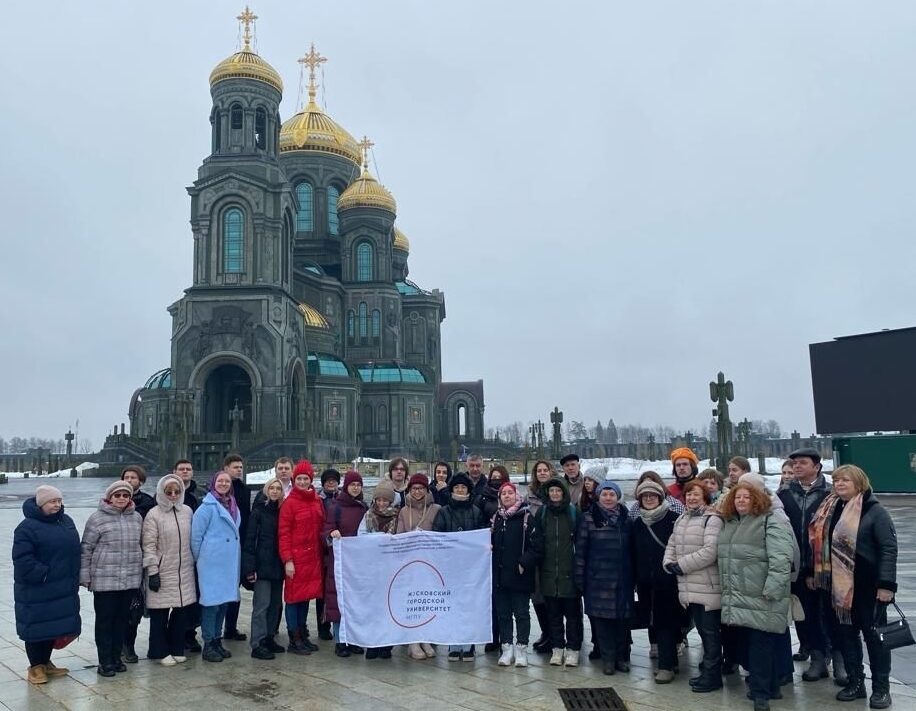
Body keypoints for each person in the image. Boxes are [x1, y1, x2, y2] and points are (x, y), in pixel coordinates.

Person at [807, 465, 897, 709]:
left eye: (845, 480)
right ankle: (856, 682)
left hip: (868, 587)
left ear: (859, 483)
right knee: (845, 637)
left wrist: (886, 585)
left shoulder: (874, 511)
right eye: (836, 480)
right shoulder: (830, 508)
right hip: (837, 588)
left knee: (875, 639)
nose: (839, 484)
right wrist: (812, 572)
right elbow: (818, 544)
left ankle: (881, 689)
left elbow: (888, 548)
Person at [718, 482, 794, 711]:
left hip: (762, 594)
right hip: (739, 595)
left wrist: (772, 588)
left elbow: (781, 558)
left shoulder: (770, 520)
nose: (741, 501)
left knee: (761, 645)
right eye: (737, 497)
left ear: (757, 500)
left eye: (746, 497)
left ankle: (761, 695)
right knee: (749, 643)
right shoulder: (731, 523)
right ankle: (771, 687)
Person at [13, 485, 81, 685]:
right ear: (41, 504)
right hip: (38, 587)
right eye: (52, 501)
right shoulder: (27, 527)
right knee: (36, 627)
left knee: (53, 626)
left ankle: (45, 662)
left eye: (59, 501)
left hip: (62, 585)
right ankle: (35, 667)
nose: (57, 505)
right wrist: (43, 575)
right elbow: (22, 558)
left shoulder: (66, 522)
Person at [777, 447, 835, 683]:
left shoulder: (829, 494)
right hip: (795, 567)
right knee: (805, 615)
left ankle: (835, 656)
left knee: (827, 614)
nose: (797, 467)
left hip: (824, 566)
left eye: (802, 463)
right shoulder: (783, 494)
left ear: (816, 467)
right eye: (794, 463)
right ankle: (817, 657)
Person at [663, 479, 724, 692]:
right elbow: (672, 544)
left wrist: (681, 565)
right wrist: (668, 563)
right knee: (702, 631)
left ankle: (713, 675)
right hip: (689, 586)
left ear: (705, 497)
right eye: (689, 494)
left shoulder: (712, 519)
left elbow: (710, 551)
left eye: (696, 494)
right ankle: (707, 672)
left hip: (707, 586)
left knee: (710, 633)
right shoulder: (682, 518)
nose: (691, 498)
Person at [79, 480, 143, 676]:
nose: (121, 499)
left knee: (122, 621)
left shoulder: (137, 518)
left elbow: (141, 545)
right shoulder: (97, 518)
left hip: (129, 579)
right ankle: (105, 661)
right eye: (117, 495)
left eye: (125, 495)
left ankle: (116, 658)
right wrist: (84, 575)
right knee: (105, 622)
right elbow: (86, 548)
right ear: (110, 497)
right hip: (104, 580)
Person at [574, 480, 633, 676]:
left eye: (612, 494)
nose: (608, 498)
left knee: (622, 622)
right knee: (602, 623)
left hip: (622, 579)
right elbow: (581, 551)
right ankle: (608, 659)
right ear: (598, 496)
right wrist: (580, 578)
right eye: (604, 494)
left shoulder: (626, 518)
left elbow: (633, 550)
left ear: (618, 497)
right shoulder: (589, 518)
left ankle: (620, 658)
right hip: (597, 579)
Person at [631, 480, 682, 684]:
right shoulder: (638, 523)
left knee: (665, 622)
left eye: (653, 495)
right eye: (645, 496)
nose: (649, 499)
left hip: (669, 580)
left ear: (660, 498)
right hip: (646, 583)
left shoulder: (674, 519)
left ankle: (666, 667)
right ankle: (671, 662)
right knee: (655, 622)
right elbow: (634, 553)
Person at [142, 473, 197, 666]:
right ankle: (158, 650)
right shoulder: (154, 514)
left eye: (177, 491)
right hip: (163, 569)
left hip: (184, 569)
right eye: (169, 492)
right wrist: (152, 571)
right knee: (160, 613)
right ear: (161, 492)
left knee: (181, 611)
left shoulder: (187, 511)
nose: (173, 495)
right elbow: (149, 545)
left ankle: (176, 647)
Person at [433, 473, 487, 661]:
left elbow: (481, 535)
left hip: (471, 568)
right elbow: (437, 536)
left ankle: (469, 644)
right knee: (452, 606)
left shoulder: (476, 511)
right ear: (452, 489)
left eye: (463, 487)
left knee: (470, 605)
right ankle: (454, 644)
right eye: (457, 487)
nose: (460, 490)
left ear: (468, 490)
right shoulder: (444, 512)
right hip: (450, 567)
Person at [191, 470, 241, 662]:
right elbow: (195, 537)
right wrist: (202, 558)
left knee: (223, 604)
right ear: (214, 483)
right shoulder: (206, 508)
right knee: (211, 605)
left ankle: (217, 640)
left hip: (227, 564)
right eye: (220, 481)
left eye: (227, 481)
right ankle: (208, 643)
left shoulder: (233, 505)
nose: (223, 484)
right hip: (211, 564)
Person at [491, 481, 543, 668]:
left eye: (510, 493)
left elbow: (537, 547)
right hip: (500, 576)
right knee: (503, 614)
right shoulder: (496, 519)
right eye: (503, 493)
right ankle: (506, 648)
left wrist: (524, 562)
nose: (507, 496)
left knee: (521, 614)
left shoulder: (526, 517)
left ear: (516, 495)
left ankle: (521, 648)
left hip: (520, 576)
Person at [278, 460, 325, 655]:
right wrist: (288, 560)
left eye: (306, 478)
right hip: (296, 560)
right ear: (294, 480)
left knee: (305, 596)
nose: (303, 482)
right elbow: (284, 534)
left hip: (312, 558)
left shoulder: (316, 500)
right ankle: (294, 638)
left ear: (311, 480)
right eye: (299, 479)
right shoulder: (289, 503)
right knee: (292, 599)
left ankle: (302, 634)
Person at [395, 473, 442, 660]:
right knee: (411, 603)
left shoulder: (436, 509)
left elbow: (441, 533)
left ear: (426, 490)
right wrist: (411, 536)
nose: (417, 492)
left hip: (430, 562)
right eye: (414, 488)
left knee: (427, 601)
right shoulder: (403, 511)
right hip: (410, 563)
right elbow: (398, 536)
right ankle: (413, 640)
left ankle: (426, 638)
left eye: (421, 488)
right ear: (409, 490)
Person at [323, 470, 368, 657]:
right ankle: (340, 640)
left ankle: (354, 639)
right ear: (346, 487)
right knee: (338, 601)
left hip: (358, 563)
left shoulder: (363, 508)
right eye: (352, 485)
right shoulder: (336, 506)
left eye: (358, 485)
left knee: (355, 602)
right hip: (340, 562)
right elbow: (326, 530)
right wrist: (331, 534)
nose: (355, 488)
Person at [539, 477, 583, 667]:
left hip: (569, 571)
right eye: (552, 491)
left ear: (563, 493)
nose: (555, 494)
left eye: (558, 491)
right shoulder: (542, 513)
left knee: (573, 616)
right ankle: (557, 648)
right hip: (549, 572)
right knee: (553, 615)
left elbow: (581, 542)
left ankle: (573, 649)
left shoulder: (573, 513)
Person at [243, 477, 285, 660]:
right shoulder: (258, 512)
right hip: (262, 566)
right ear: (266, 490)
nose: (275, 491)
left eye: (278, 489)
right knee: (261, 605)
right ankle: (257, 642)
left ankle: (269, 637)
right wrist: (249, 567)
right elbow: (250, 540)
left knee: (275, 605)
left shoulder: (282, 512)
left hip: (277, 565)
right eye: (272, 488)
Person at [359, 480, 401, 659]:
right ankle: (372, 644)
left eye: (385, 500)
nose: (382, 503)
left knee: (389, 608)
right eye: (379, 500)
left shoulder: (397, 516)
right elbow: (360, 536)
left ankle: (386, 645)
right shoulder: (368, 515)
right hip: (372, 567)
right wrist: (377, 538)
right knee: (373, 607)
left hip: (391, 568)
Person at [121, 464, 158, 664]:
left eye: (133, 477)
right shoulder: (114, 500)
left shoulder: (148, 502)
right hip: (118, 561)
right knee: (117, 607)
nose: (129, 480)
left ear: (141, 481)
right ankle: (117, 645)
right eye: (126, 477)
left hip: (139, 558)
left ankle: (129, 644)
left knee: (135, 606)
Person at [174, 459, 203, 653]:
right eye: (181, 469)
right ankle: (173, 634)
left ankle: (190, 634)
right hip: (173, 553)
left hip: (196, 552)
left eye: (188, 469)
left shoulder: (201, 494)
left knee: (194, 595)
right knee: (175, 597)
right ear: (175, 471)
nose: (185, 472)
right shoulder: (167, 492)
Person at [526, 459, 555, 653]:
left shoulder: (557, 492)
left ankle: (555, 635)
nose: (542, 473)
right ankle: (546, 632)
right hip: (536, 552)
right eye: (539, 470)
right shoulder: (529, 496)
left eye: (545, 470)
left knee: (552, 595)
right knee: (537, 595)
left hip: (553, 552)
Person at [222, 453, 251, 642]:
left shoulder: (244, 490)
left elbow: (246, 517)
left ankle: (230, 628)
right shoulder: (218, 489)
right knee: (221, 589)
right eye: (235, 467)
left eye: (241, 467)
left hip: (240, 544)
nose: (239, 470)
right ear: (226, 469)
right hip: (222, 547)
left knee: (235, 588)